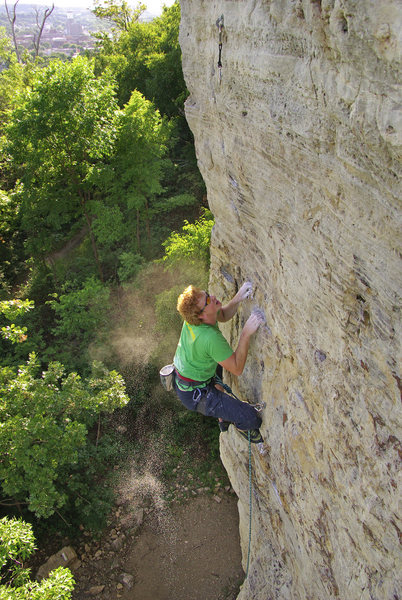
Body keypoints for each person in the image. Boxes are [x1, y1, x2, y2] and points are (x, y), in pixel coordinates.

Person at [173, 282, 265, 443]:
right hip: (195, 394)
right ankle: (235, 423)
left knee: (218, 371)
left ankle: (222, 410)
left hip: (192, 373)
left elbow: (221, 315)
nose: (213, 297)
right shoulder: (209, 338)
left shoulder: (195, 319)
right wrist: (245, 334)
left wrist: (237, 298)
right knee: (251, 418)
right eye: (208, 300)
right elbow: (236, 368)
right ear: (201, 315)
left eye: (207, 294)